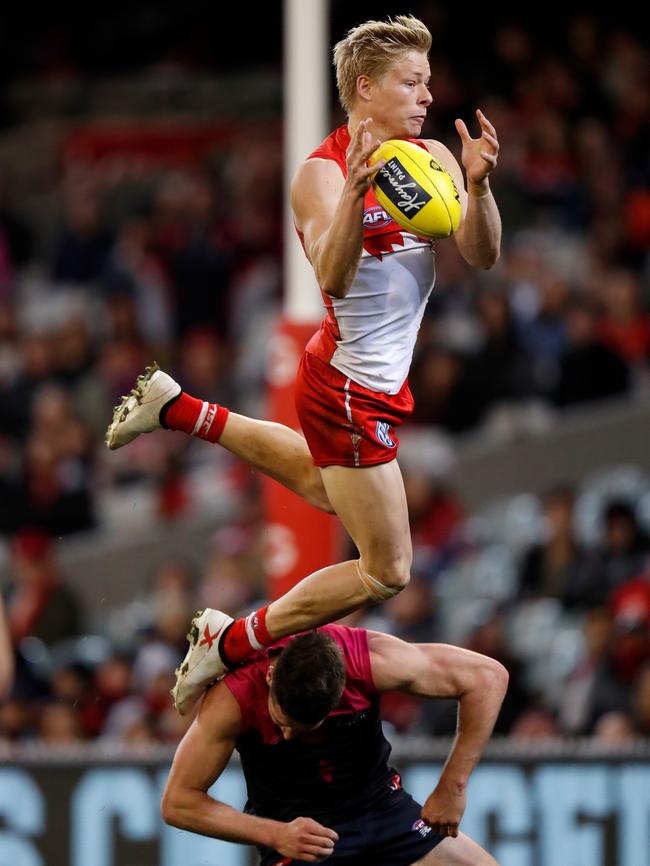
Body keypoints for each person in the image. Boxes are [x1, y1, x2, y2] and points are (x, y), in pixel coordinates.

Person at [105, 14, 501, 715]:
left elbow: (481, 253)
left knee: (326, 492)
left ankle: (178, 407)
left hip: (363, 378)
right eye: (411, 83)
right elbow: (332, 270)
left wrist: (480, 187)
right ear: (365, 87)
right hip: (351, 385)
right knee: (388, 569)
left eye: (428, 82)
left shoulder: (431, 155)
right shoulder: (321, 174)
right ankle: (229, 644)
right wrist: (354, 197)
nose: (426, 96)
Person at [161, 625, 507, 865]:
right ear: (270, 676)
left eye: (301, 728)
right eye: (280, 722)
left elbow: (487, 678)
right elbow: (178, 801)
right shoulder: (233, 699)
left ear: (337, 697)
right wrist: (275, 833)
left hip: (380, 809)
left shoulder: (368, 662)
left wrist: (453, 785)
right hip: (299, 836)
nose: (287, 737)